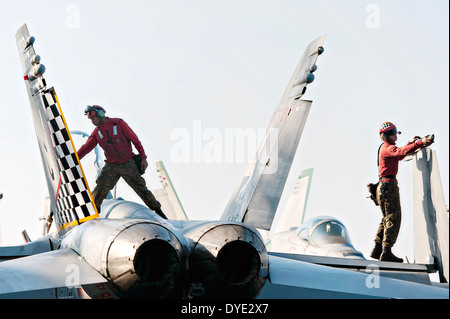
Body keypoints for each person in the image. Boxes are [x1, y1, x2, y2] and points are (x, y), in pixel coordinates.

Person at [77, 105, 167, 219]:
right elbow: (86, 148)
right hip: (111, 166)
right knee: (99, 190)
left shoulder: (118, 123)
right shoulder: (97, 132)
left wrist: (143, 157)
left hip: (127, 163)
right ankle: (92, 216)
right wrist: (74, 159)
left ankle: (159, 213)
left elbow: (135, 139)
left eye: (93, 118)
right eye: (90, 120)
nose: (92, 122)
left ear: (100, 114)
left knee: (142, 189)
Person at [370, 122, 434, 262]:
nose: (395, 135)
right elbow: (402, 152)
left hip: (383, 186)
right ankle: (386, 251)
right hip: (388, 186)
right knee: (394, 218)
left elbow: (399, 154)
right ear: (387, 135)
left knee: (386, 218)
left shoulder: (385, 148)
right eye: (393, 132)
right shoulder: (388, 148)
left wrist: (410, 143)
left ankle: (377, 249)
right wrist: (420, 143)